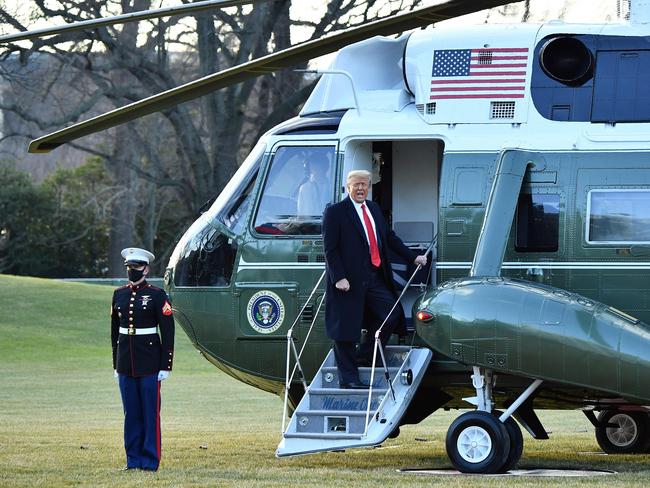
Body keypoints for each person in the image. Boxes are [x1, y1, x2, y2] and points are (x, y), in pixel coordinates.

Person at [322, 170, 427, 389]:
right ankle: (349, 379)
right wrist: (338, 277)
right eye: (356, 185)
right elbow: (330, 249)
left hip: (374, 275)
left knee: (391, 315)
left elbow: (389, 238)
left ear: (369, 187)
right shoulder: (335, 212)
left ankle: (365, 355)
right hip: (347, 281)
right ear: (348, 187)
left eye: (365, 185)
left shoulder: (373, 209)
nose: (361, 189)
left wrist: (412, 257)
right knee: (346, 330)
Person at [111, 247, 175, 471]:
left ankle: (149, 461)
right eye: (129, 268)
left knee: (149, 413)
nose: (132, 271)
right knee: (131, 414)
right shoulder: (119, 294)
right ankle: (133, 460)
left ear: (146, 269)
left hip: (150, 362)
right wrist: (116, 363)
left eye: (136, 267)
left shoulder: (157, 295)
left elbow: (168, 332)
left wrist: (166, 365)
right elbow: (114, 333)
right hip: (126, 362)